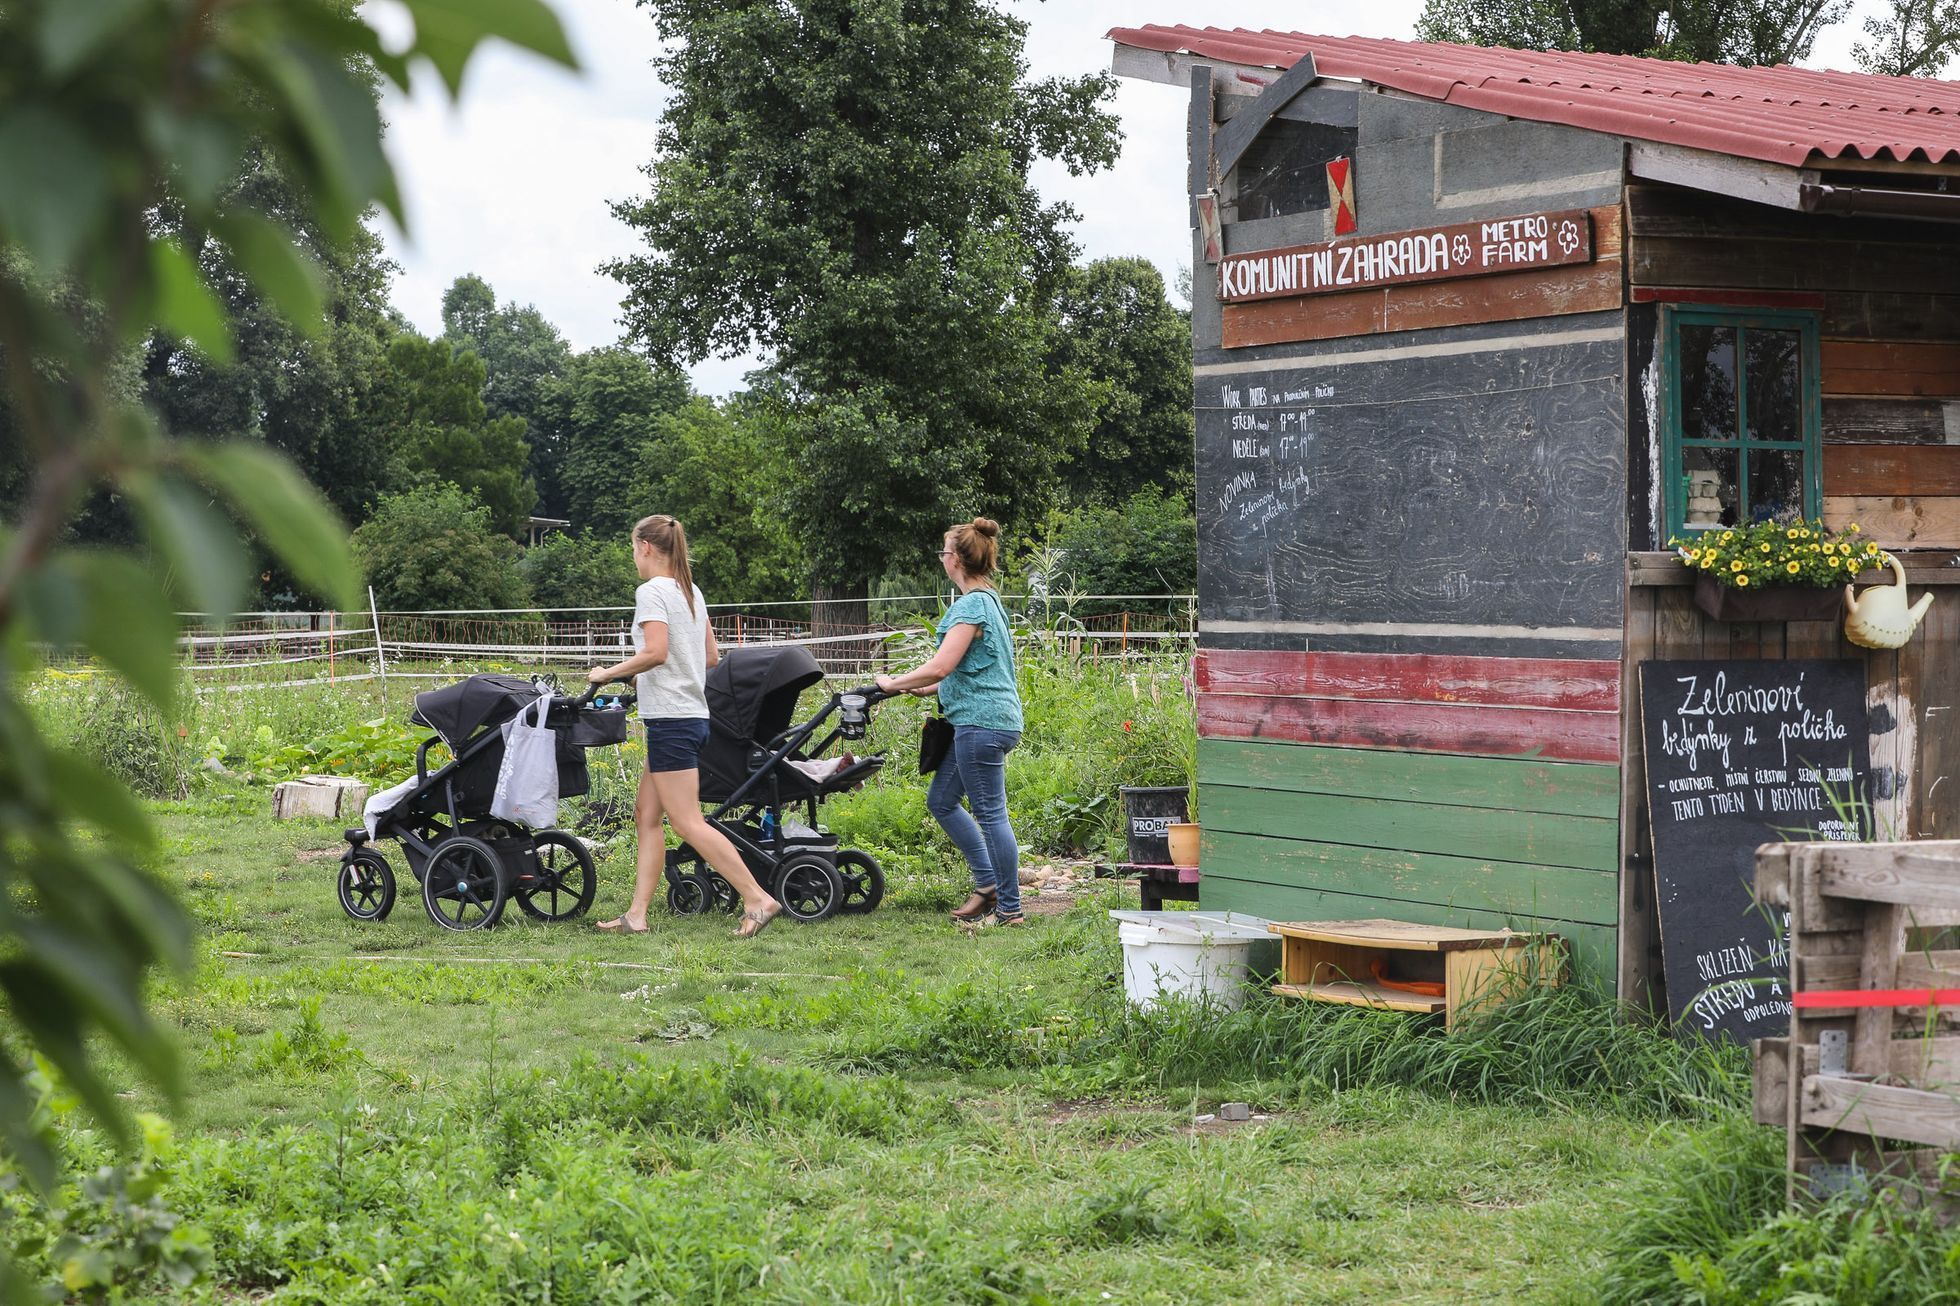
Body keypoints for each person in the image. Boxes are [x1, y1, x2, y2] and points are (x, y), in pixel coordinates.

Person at [587, 514, 781, 939]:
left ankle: (757, 898)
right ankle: (636, 916)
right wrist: (646, 676)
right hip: (688, 715)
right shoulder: (690, 591)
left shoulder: (652, 591)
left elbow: (656, 651)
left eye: (633, 549)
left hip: (672, 721)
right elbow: (708, 656)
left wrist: (609, 672)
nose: (634, 558)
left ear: (647, 548)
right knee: (647, 815)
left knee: (687, 821)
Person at [877, 517, 1027, 927]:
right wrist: (924, 690)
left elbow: (942, 665)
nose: (942, 558)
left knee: (992, 814)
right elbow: (974, 668)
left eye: (944, 552)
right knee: (941, 801)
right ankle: (988, 885)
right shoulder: (991, 602)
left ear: (957, 559)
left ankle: (1009, 907)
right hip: (989, 720)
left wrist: (893, 683)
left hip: (981, 725)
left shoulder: (972, 605)